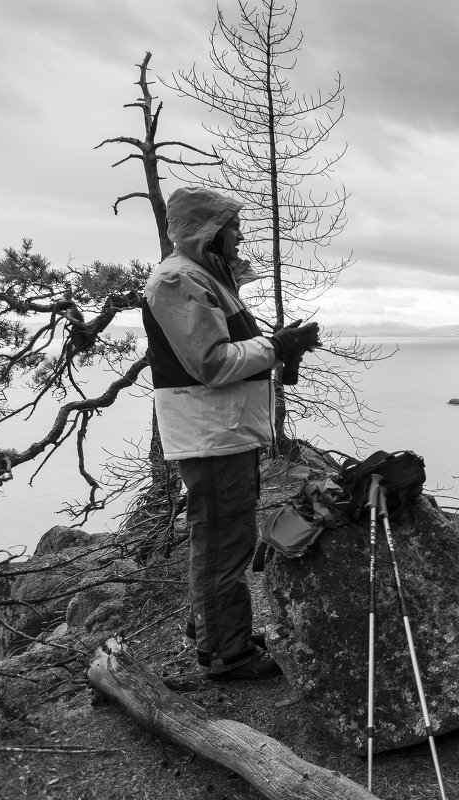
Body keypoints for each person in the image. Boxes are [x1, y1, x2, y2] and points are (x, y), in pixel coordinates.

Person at [143, 187, 320, 680]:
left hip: (224, 432)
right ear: (208, 232)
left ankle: (213, 630)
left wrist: (281, 347)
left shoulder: (204, 277)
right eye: (232, 226)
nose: (240, 235)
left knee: (222, 538)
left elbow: (227, 350)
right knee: (224, 542)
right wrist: (277, 346)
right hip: (211, 434)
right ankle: (226, 653)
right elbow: (211, 363)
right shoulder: (178, 280)